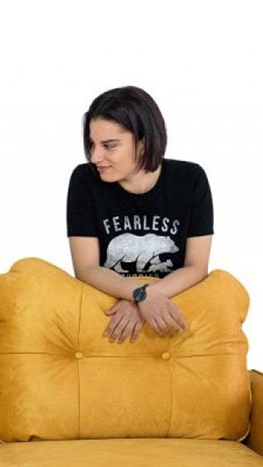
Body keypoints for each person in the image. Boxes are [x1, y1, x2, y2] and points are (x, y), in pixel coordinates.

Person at [66, 86, 214, 343]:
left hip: (169, 309)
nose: (95, 156)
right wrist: (139, 295)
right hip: (108, 312)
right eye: (92, 144)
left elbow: (196, 267)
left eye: (109, 145)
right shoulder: (84, 180)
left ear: (144, 142)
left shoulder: (191, 180)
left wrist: (145, 298)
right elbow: (86, 268)